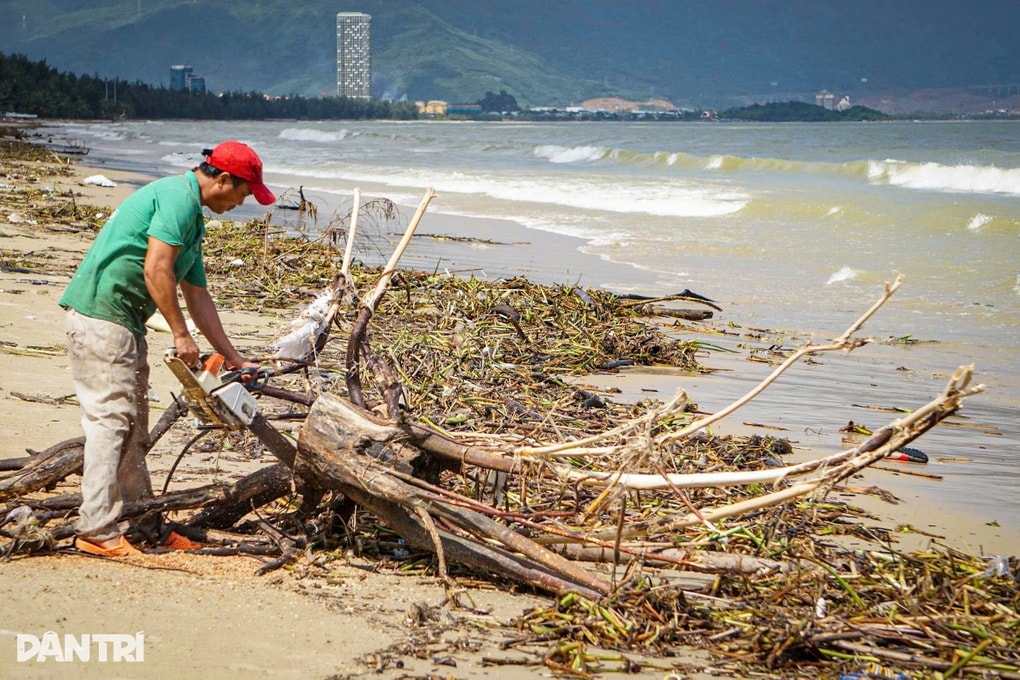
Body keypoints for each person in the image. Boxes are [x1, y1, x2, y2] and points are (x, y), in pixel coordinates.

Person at [60, 140, 276, 557]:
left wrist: (234, 359)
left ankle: (144, 526)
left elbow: (199, 297)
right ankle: (97, 531)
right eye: (243, 194)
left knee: (133, 430)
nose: (241, 204)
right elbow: (156, 267)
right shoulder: (177, 200)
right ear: (224, 181)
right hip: (101, 318)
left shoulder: (191, 216)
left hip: (123, 324)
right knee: (111, 421)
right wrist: (180, 335)